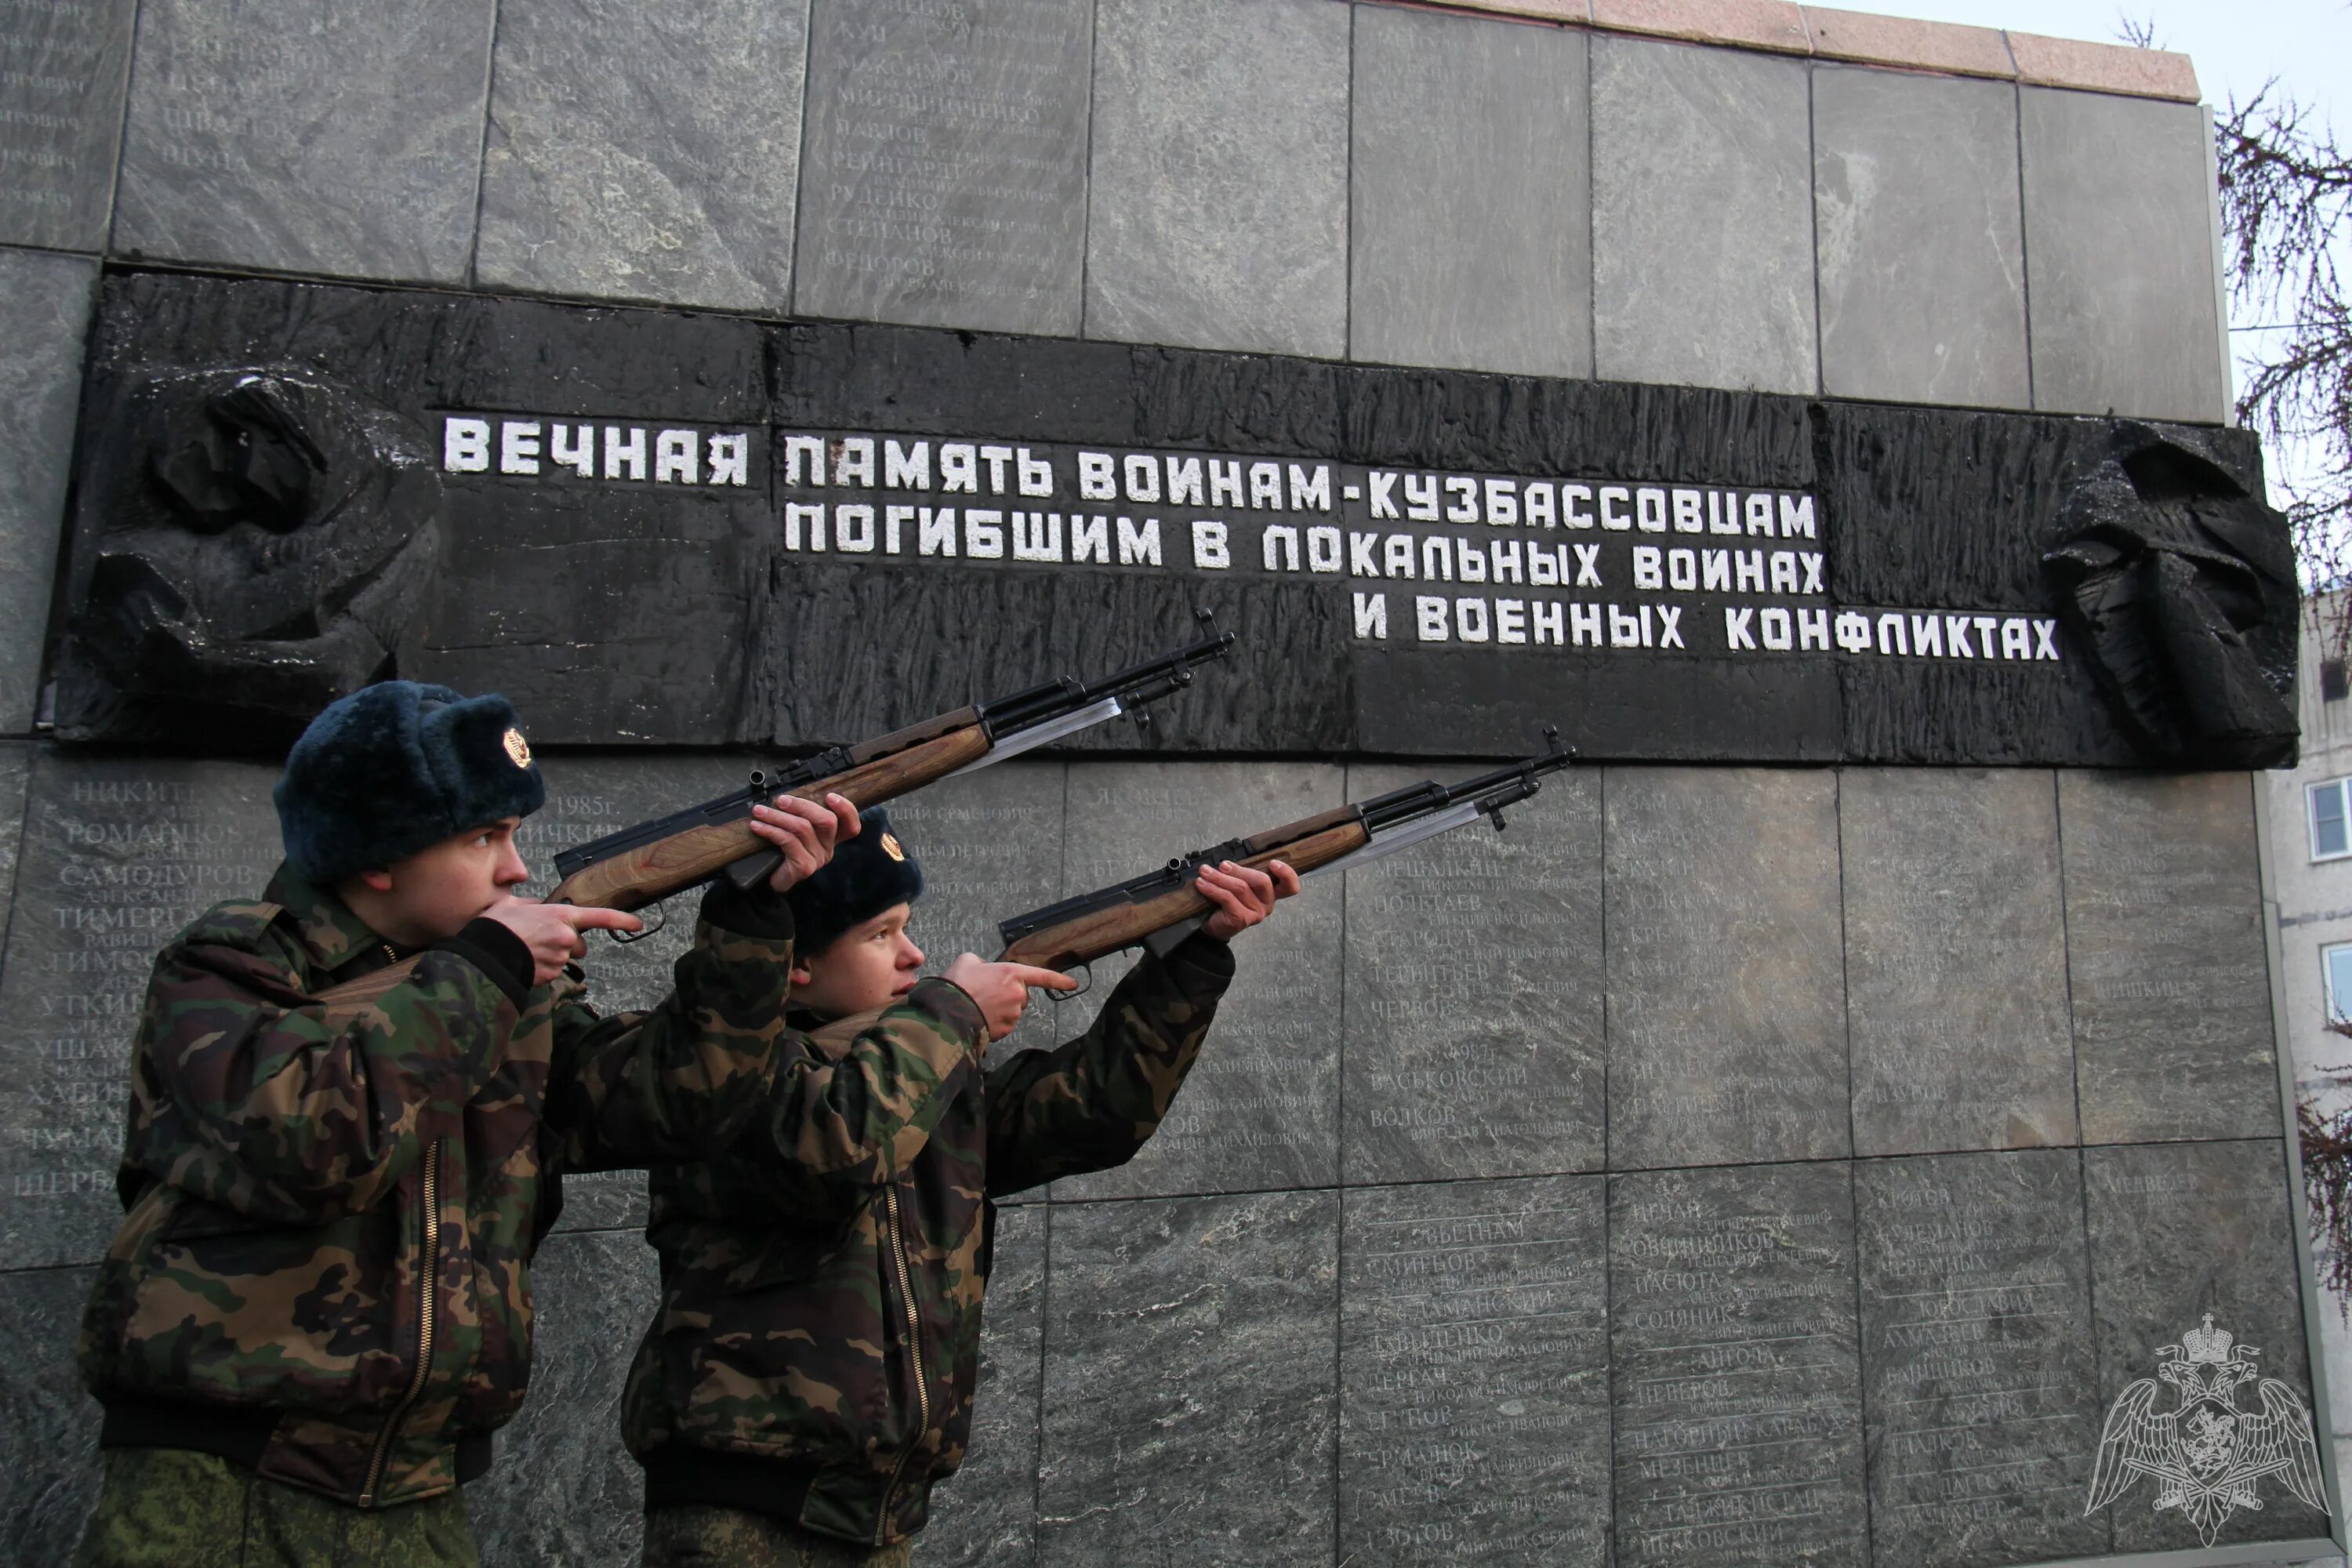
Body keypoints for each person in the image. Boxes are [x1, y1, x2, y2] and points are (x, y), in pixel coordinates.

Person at [71, 681, 989, 1568]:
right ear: (382, 851)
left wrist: (751, 915)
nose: (516, 869)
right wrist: (489, 967)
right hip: (223, 1476)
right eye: (486, 836)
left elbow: (685, 1100)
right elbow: (312, 1142)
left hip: (419, 1486)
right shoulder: (231, 965)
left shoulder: (499, 993)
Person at [623, 806, 1299, 1566]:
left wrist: (1192, 956)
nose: (914, 955)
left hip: (875, 1508)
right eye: (881, 934)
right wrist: (953, 1012)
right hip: (742, 1510)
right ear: (796, 963)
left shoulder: (908, 1078)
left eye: (908, 928)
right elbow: (833, 1146)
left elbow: (1094, 1112)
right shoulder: (722, 1080)